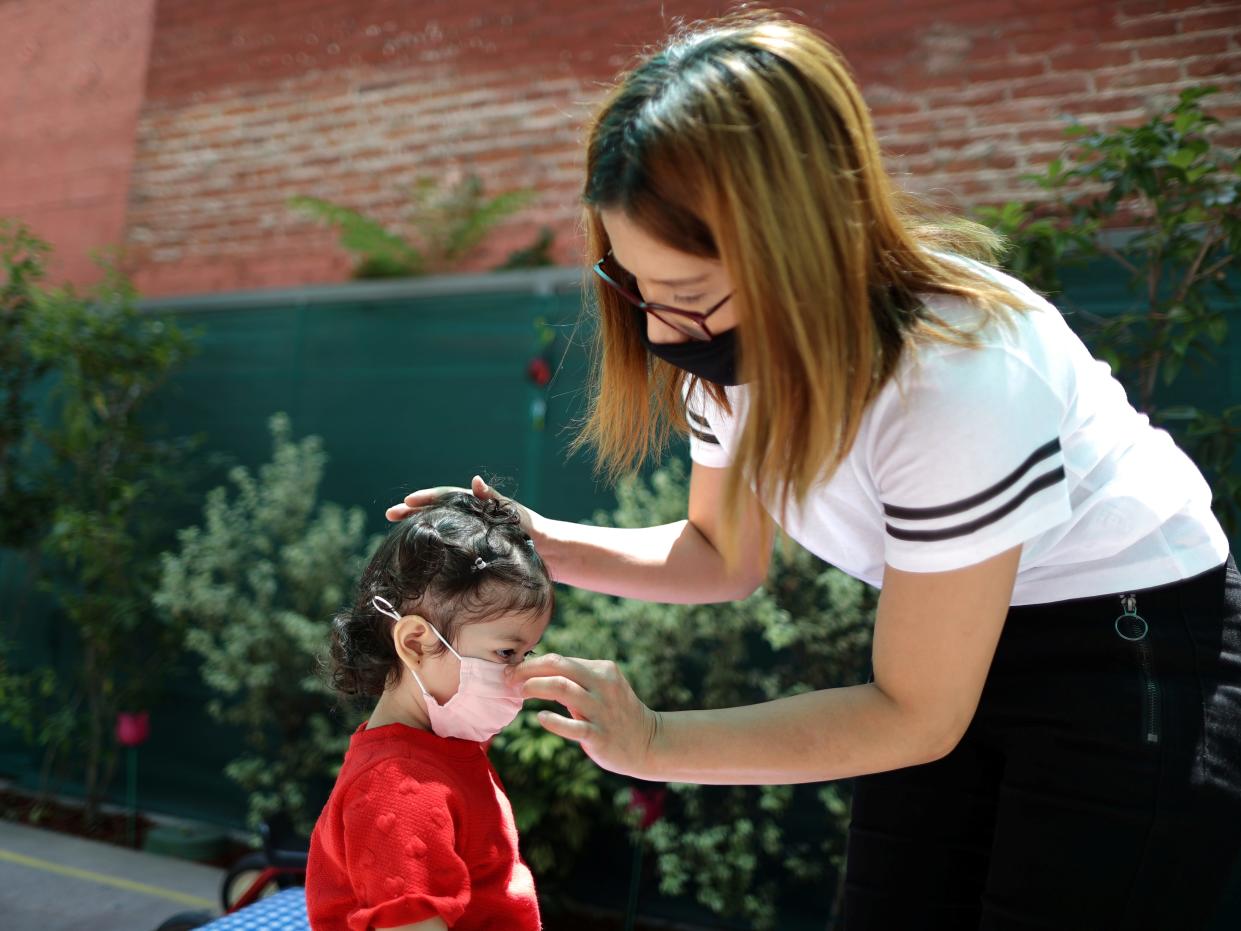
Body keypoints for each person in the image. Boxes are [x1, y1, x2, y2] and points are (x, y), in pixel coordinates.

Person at [388, 13, 1241, 930]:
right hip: (943, 653)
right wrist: (541, 542)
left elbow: (915, 713)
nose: (662, 335)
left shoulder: (955, 373)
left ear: (798, 244)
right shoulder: (723, 357)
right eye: (633, 289)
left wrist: (654, 740)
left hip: (1129, 650)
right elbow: (721, 554)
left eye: (687, 300)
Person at [307, 492, 552, 931]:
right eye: (507, 653)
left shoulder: (442, 749)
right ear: (417, 643)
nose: (519, 675)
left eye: (527, 652)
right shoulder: (396, 788)